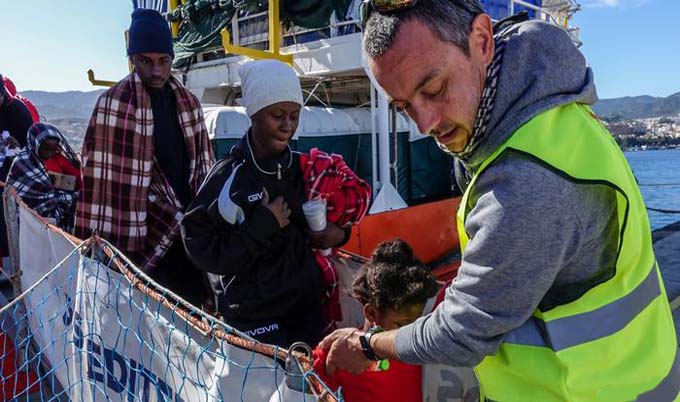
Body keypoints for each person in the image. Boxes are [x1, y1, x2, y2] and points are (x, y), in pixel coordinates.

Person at [319, 1, 678, 401]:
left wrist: (368, 345)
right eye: (403, 108)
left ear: (482, 40)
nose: (425, 124)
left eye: (434, 89)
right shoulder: (542, 107)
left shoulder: (526, 185)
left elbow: (462, 332)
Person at [181, 60, 365, 348]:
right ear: (254, 114)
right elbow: (197, 243)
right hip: (253, 319)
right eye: (277, 115)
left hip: (305, 311)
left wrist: (339, 235)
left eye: (294, 115)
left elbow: (330, 225)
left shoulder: (306, 169)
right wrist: (262, 225)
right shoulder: (231, 176)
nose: (287, 126)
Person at [75, 9, 214, 307]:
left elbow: (203, 169)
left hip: (185, 238)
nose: (156, 71)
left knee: (192, 315)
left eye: (164, 61)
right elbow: (99, 181)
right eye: (146, 61)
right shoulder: (111, 106)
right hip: (136, 238)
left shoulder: (188, 104)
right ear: (132, 59)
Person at [312, 239, 439, 402]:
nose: (411, 333)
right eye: (401, 324)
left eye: (416, 323)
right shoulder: (335, 355)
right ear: (371, 313)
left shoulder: (420, 349)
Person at [7, 123, 79, 231]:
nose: (50, 153)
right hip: (27, 223)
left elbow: (65, 183)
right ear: (35, 145)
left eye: (54, 149)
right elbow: (44, 200)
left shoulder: (48, 161)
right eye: (46, 149)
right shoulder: (24, 165)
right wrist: (72, 197)